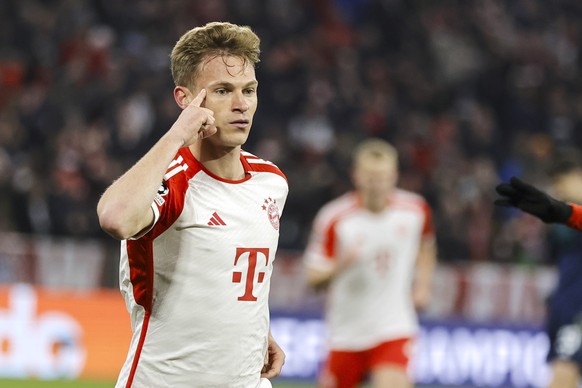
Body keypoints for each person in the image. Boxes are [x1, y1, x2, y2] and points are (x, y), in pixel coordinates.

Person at [96, 22, 287, 388]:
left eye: (249, 90)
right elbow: (115, 217)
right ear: (185, 99)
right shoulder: (173, 180)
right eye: (222, 90)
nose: (241, 104)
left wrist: (256, 333)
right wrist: (177, 135)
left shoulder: (272, 182)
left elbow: (233, 276)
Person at [302, 138, 437, 388]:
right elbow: (313, 278)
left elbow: (426, 245)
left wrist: (423, 284)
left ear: (394, 176)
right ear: (357, 176)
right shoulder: (335, 218)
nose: (377, 184)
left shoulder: (415, 210)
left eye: (383, 176)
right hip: (345, 333)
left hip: (394, 328)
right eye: (371, 177)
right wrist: (341, 265)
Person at [495, 154, 582, 388]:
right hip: (566, 305)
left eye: (562, 182)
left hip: (577, 312)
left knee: (562, 374)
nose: (559, 189)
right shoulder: (561, 221)